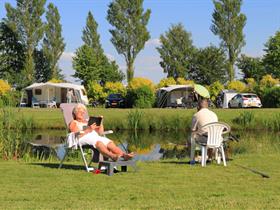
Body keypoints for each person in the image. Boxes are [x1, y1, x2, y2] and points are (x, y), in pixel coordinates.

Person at [69, 103, 134, 161]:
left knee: (109, 142)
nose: (82, 113)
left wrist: (100, 123)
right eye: (79, 112)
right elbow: (76, 135)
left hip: (95, 137)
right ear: (75, 113)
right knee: (99, 143)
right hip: (81, 139)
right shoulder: (73, 122)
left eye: (83, 112)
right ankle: (112, 156)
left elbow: (100, 133)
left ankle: (124, 155)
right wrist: (88, 129)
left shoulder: (88, 121)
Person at [189, 99, 218, 164]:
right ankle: (210, 158)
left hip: (204, 139)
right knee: (210, 135)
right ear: (207, 106)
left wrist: (197, 131)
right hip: (215, 138)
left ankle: (192, 158)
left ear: (198, 106)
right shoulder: (214, 114)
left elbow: (193, 130)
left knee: (191, 137)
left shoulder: (196, 115)